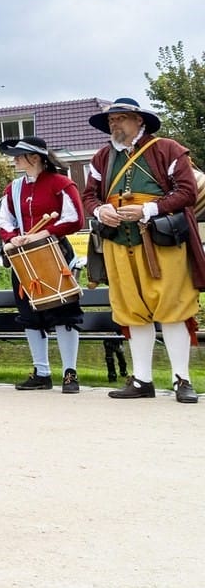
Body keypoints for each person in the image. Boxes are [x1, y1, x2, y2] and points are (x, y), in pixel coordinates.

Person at [81, 97, 205, 403]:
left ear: (139, 121)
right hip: (118, 242)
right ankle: (142, 380)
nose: (115, 125)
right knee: (132, 311)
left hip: (163, 242)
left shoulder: (168, 149)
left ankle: (182, 380)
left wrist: (148, 210)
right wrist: (100, 212)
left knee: (173, 308)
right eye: (111, 121)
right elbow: (89, 196)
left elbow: (187, 192)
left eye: (121, 118)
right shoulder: (101, 158)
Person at [0, 137, 86, 394]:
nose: (15, 160)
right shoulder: (12, 189)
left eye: (19, 156)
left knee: (64, 313)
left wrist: (44, 234)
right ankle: (42, 372)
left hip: (55, 252)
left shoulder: (61, 184)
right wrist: (12, 239)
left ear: (34, 158)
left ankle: (70, 373)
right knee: (29, 314)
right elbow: (4, 221)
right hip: (23, 257)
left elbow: (75, 217)